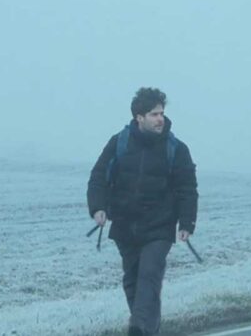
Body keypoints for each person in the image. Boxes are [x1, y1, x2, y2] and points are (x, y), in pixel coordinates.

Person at [87, 87, 198, 336]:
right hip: (126, 226)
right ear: (139, 117)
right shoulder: (120, 142)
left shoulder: (176, 149)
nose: (160, 118)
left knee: (149, 276)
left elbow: (187, 189)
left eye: (161, 113)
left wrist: (186, 223)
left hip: (159, 227)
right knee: (133, 283)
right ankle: (149, 329)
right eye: (154, 114)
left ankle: (137, 329)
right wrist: (98, 208)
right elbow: (98, 177)